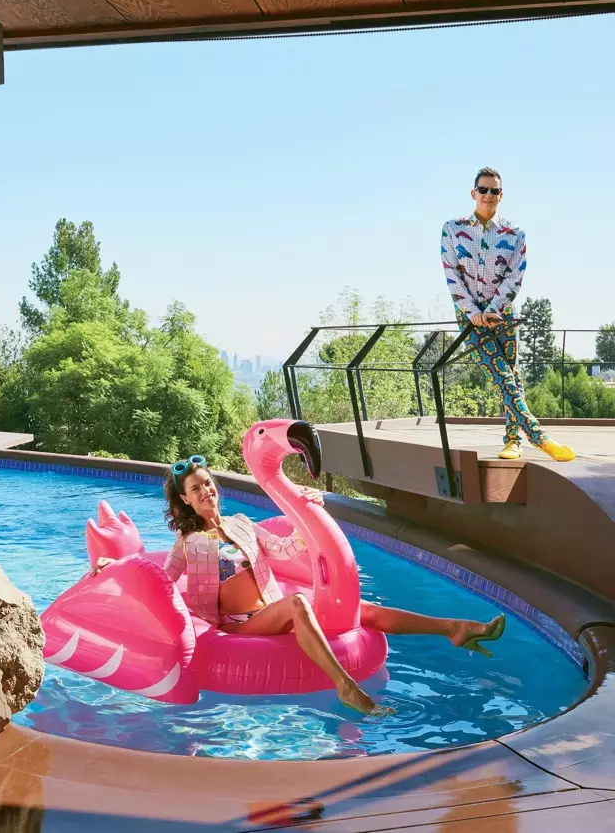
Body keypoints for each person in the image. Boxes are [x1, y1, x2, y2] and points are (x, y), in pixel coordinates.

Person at [93, 457, 505, 715]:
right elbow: (162, 580)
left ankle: (454, 627)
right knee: (297, 605)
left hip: (269, 607)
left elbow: (286, 545)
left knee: (365, 611)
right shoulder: (189, 543)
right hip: (236, 626)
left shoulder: (241, 524)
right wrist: (117, 566)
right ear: (185, 500)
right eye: (196, 488)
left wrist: (308, 511)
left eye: (208, 483)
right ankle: (346, 686)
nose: (206, 491)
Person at [441, 166, 574, 462]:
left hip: (503, 315)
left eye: (495, 191)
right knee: (502, 376)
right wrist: (475, 313)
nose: (489, 195)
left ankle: (513, 440)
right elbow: (451, 275)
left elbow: (515, 277)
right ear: (474, 193)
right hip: (469, 318)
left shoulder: (515, 234)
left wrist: (493, 310)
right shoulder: (452, 229)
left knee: (512, 376)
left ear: (502, 195)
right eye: (484, 190)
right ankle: (540, 438)